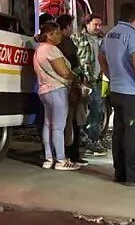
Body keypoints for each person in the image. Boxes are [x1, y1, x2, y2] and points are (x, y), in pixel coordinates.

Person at [100, 3, 135, 187]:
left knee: (120, 132)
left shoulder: (109, 34)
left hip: (116, 91)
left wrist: (110, 74)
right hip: (133, 94)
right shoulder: (133, 34)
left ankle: (121, 172)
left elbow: (101, 57)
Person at [33, 22, 81, 171]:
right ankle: (61, 160)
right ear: (49, 35)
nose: (60, 36)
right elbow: (63, 72)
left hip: (44, 91)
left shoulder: (39, 50)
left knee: (48, 125)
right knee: (58, 127)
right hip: (57, 89)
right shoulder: (51, 49)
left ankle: (48, 159)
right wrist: (75, 78)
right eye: (57, 33)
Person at [74, 13, 107, 156]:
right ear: (87, 24)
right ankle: (83, 140)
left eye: (100, 25)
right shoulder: (77, 38)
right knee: (82, 111)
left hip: (97, 80)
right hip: (84, 81)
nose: (98, 27)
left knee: (97, 111)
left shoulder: (101, 40)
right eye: (95, 24)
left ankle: (93, 139)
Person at [56, 14, 86, 165]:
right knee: (74, 122)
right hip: (70, 87)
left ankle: (66, 153)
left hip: (62, 87)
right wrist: (80, 79)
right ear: (66, 27)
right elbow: (74, 66)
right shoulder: (66, 43)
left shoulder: (54, 43)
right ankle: (72, 154)